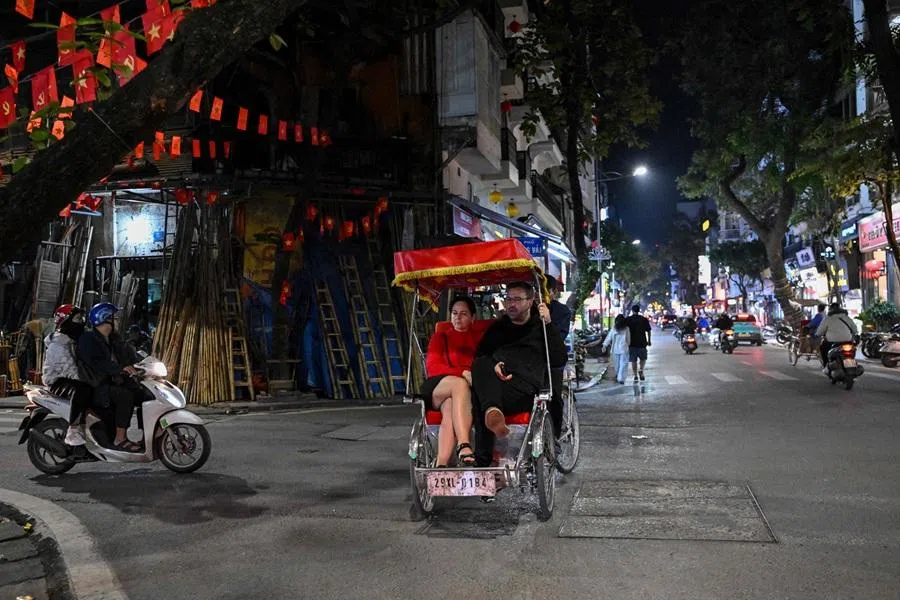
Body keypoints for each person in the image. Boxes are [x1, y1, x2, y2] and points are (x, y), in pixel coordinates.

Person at [470, 282, 567, 467]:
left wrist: (548, 323)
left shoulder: (540, 327)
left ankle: (482, 461)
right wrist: (495, 364)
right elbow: (481, 354)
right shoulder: (498, 328)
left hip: (526, 389)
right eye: (508, 299)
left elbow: (559, 359)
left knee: (480, 398)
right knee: (480, 365)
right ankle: (493, 413)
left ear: (531, 301)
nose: (511, 304)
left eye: (517, 299)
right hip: (497, 385)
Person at [420, 296, 483, 467]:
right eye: (454, 313)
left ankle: (441, 462)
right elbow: (434, 367)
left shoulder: (480, 339)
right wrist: (462, 373)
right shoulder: (440, 337)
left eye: (463, 314)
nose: (457, 317)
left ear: (473, 317)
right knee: (459, 384)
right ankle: (464, 444)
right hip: (438, 386)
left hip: (466, 391)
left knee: (449, 409)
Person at [77, 303, 142, 452]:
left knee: (142, 393)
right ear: (104, 319)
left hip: (112, 381)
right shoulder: (88, 339)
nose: (118, 321)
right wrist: (120, 369)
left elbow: (127, 356)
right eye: (115, 318)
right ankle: (120, 438)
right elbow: (97, 363)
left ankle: (150, 435)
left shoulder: (113, 339)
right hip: (97, 385)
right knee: (125, 396)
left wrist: (141, 366)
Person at [42, 305, 92, 447]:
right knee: (82, 389)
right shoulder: (58, 343)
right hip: (58, 381)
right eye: (77, 319)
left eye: (81, 318)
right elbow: (67, 368)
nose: (81, 322)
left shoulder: (75, 339)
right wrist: (87, 378)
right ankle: (73, 428)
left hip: (72, 377)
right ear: (65, 321)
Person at [816, 302, 858, 372]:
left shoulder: (828, 319)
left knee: (823, 348)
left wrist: (817, 335)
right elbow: (855, 329)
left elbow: (819, 332)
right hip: (848, 341)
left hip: (832, 343)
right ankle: (851, 365)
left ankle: (827, 366)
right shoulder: (847, 318)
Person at [624, 305, 652, 383]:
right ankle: (641, 370)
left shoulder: (628, 320)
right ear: (639, 310)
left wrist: (625, 342)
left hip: (632, 343)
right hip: (642, 342)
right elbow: (649, 330)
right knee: (643, 358)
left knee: (633, 360)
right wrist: (649, 340)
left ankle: (635, 375)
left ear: (632, 311)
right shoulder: (643, 319)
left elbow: (624, 331)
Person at [602, 314, 631, 384]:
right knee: (622, 364)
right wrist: (628, 344)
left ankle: (619, 377)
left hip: (615, 350)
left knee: (617, 365)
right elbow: (628, 339)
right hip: (624, 349)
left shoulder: (614, 328)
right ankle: (620, 377)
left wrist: (604, 346)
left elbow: (609, 337)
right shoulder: (626, 328)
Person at [545, 275, 572, 340]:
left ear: (554, 292)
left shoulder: (563, 311)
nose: (538, 294)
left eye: (544, 291)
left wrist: (548, 322)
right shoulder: (529, 307)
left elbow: (559, 339)